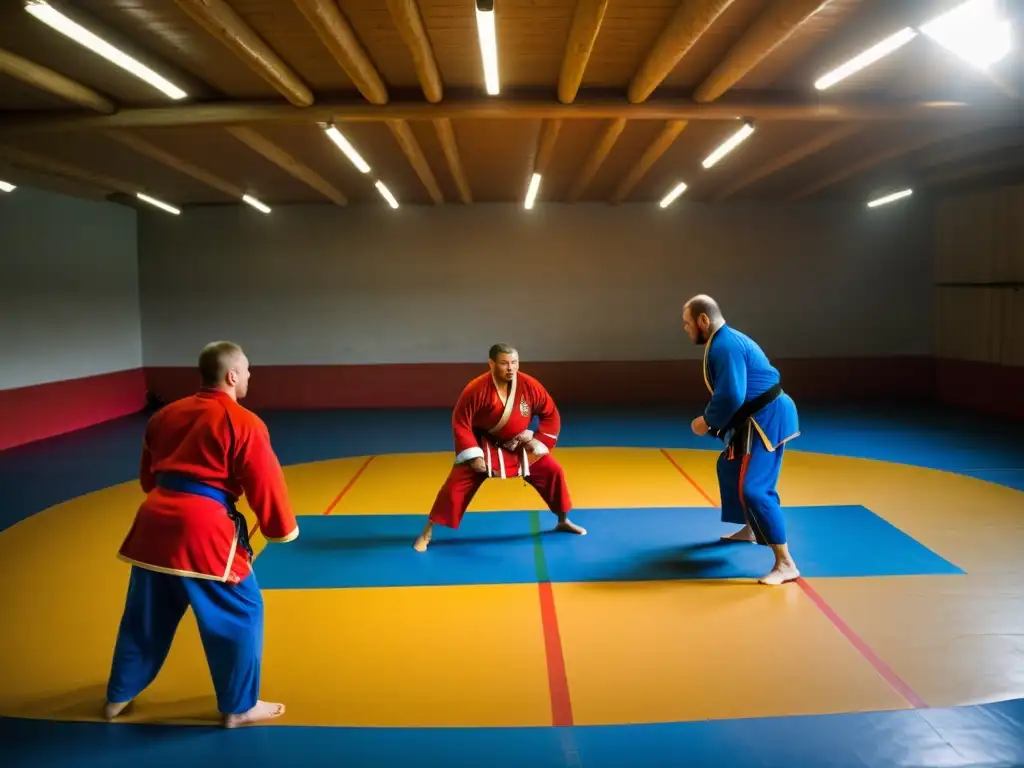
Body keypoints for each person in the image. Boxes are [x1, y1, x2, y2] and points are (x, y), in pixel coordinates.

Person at [104, 341, 299, 727]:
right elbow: (266, 483)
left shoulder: (164, 416)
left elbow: (149, 478)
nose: (248, 376)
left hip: (153, 524)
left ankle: (117, 697)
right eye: (245, 370)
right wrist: (281, 530)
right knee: (242, 611)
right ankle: (239, 707)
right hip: (202, 529)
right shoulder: (243, 421)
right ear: (231, 375)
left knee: (146, 616)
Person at [414, 343, 586, 552]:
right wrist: (474, 456)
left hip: (517, 444)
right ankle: (427, 532)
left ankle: (563, 520)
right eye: (504, 363)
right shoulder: (476, 389)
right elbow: (461, 422)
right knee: (455, 486)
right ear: (491, 364)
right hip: (483, 445)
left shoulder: (529, 385)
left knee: (553, 471)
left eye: (514, 362)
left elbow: (550, 413)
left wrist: (538, 441)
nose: (510, 368)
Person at [682, 295, 801, 585]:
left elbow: (732, 396)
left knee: (755, 490)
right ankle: (751, 528)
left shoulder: (725, 345)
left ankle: (786, 563)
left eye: (687, 324)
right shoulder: (725, 341)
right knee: (729, 466)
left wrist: (706, 421)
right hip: (753, 417)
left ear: (703, 320)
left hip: (767, 418)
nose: (685, 330)